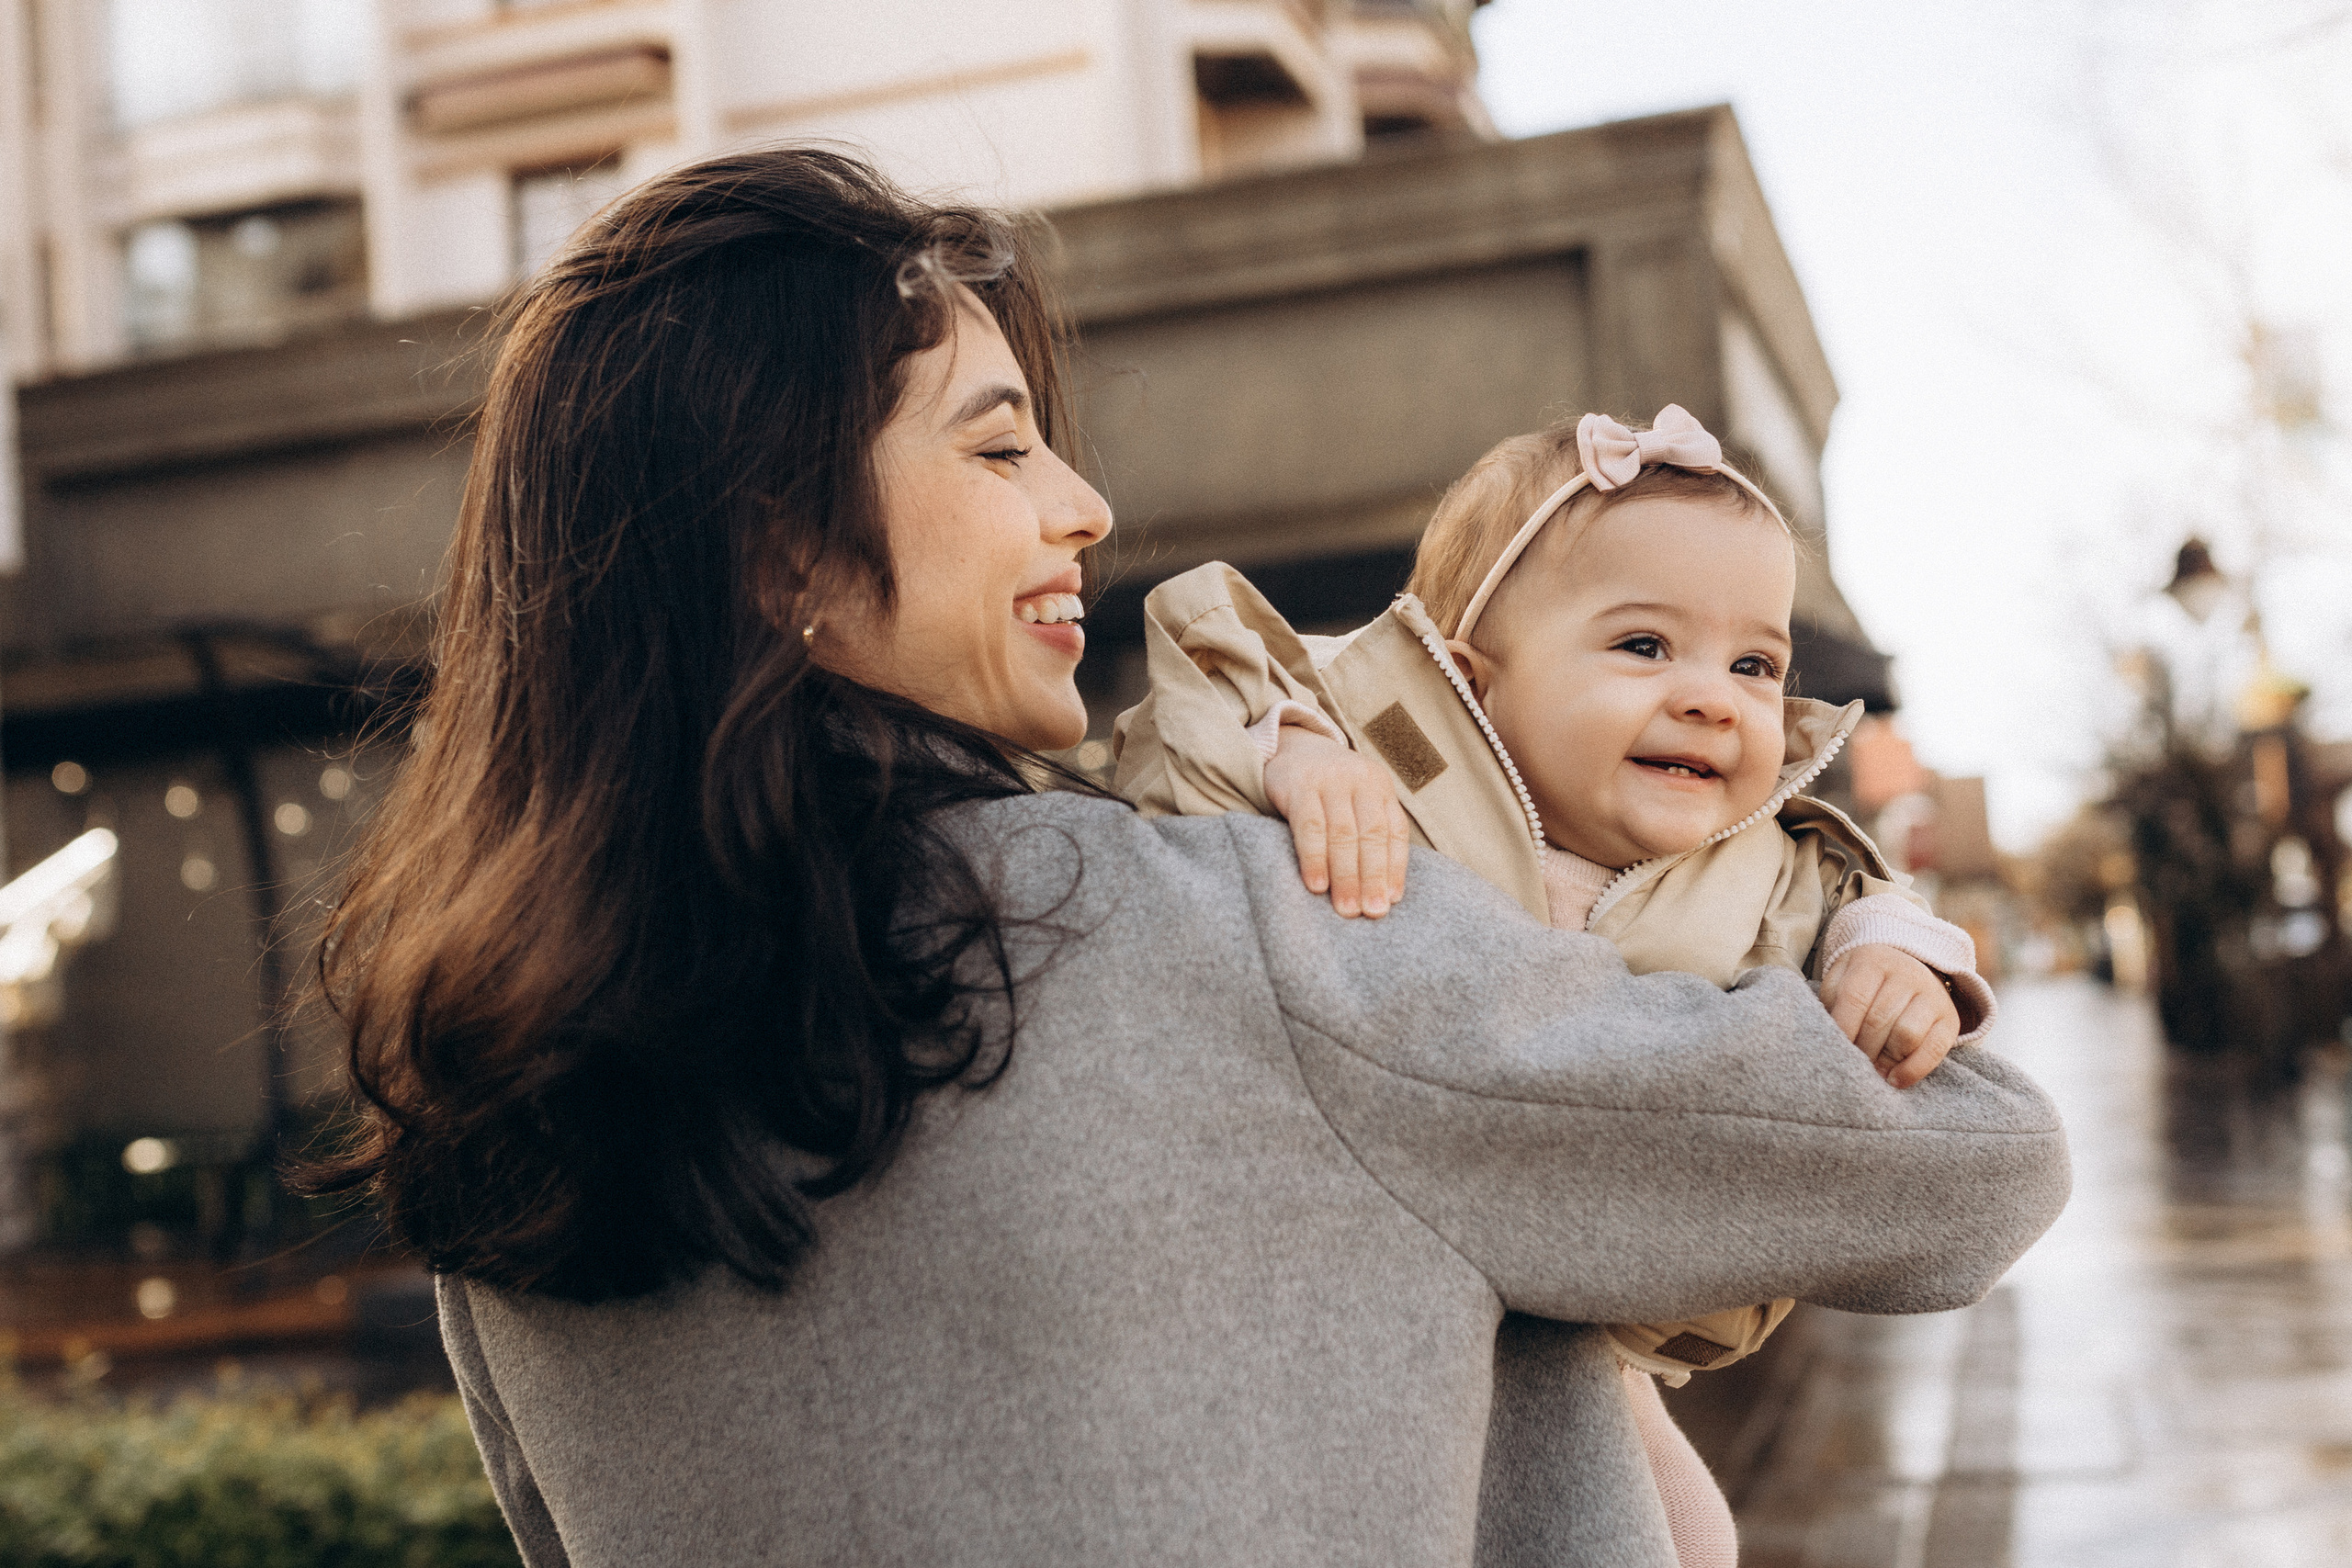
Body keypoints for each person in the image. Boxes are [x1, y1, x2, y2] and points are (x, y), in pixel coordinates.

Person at [301, 148, 2068, 1568]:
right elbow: (1975, 1162)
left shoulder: (494, 1080)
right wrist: (1868, 946)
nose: (1086, 505)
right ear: (783, 554)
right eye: (999, 443)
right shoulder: (1248, 939)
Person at [1113, 407, 2000, 1565]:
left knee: (1683, 1535)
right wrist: (1293, 749)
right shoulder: (1383, 762)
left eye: (1754, 664)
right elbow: (1177, 725)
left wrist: (1892, 960)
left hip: (1585, 1335)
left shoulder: (1761, 861)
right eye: (1643, 646)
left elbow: (1857, 895)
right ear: (1472, 682)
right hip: (1333, 1290)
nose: (1711, 698)